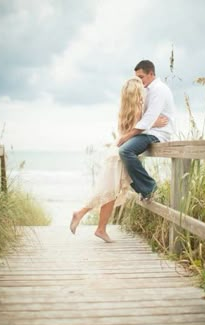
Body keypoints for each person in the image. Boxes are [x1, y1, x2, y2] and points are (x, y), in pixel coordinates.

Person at [70, 76, 168, 243]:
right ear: (137, 92)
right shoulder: (138, 110)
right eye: (141, 89)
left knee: (109, 193)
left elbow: (130, 130)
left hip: (114, 154)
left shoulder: (125, 110)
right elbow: (138, 129)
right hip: (118, 158)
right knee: (106, 192)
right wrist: (154, 123)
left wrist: (150, 122)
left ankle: (100, 228)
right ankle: (81, 214)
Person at [118, 60, 175, 201]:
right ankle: (142, 189)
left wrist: (126, 136)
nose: (139, 80)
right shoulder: (146, 89)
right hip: (148, 131)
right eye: (137, 77)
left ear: (151, 74)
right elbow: (145, 119)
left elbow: (147, 119)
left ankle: (150, 189)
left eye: (141, 77)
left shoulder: (159, 90)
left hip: (158, 134)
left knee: (125, 151)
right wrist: (151, 123)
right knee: (119, 155)